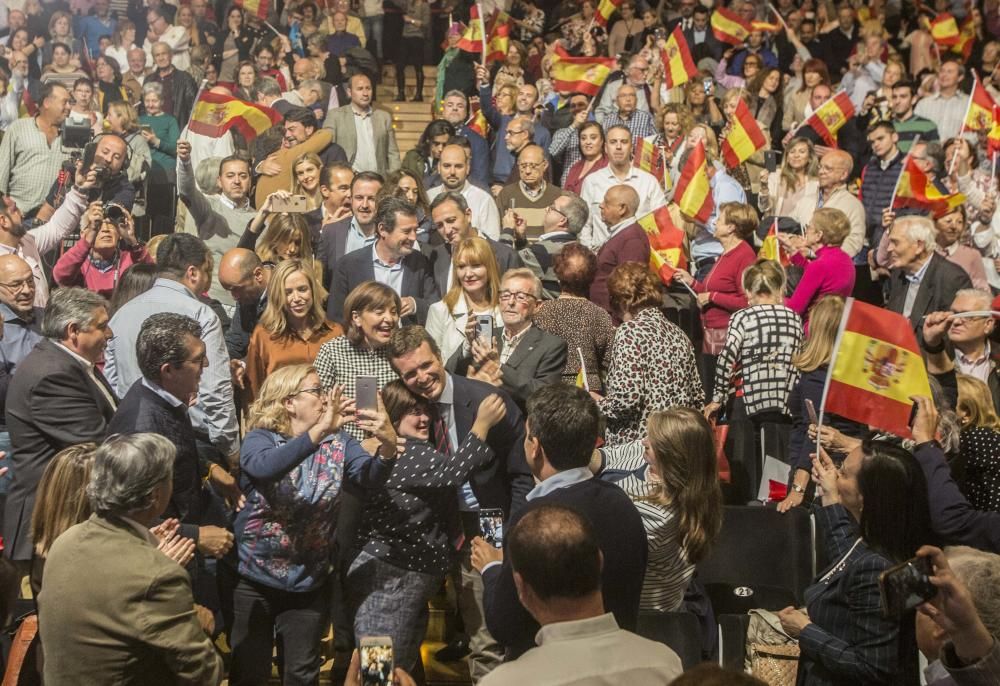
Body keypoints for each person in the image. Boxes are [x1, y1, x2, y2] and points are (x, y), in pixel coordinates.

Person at [231, 364, 398, 685]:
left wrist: (388, 447)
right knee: (249, 674)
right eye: (316, 391)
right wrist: (317, 432)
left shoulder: (340, 441)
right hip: (254, 578)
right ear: (288, 401)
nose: (326, 398)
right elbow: (264, 468)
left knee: (301, 676)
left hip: (307, 582)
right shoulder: (261, 439)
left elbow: (369, 476)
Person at [387, 325, 531, 681]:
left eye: (426, 365)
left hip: (484, 526)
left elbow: (522, 473)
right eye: (409, 373)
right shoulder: (399, 414)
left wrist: (510, 531)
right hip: (412, 547)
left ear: (439, 355)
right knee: (392, 643)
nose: (421, 378)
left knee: (487, 636)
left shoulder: (488, 401)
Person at [470, 385, 650, 662]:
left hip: (547, 669)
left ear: (535, 447)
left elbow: (505, 626)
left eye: (527, 437)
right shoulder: (622, 503)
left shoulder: (533, 519)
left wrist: (492, 566)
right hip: (616, 662)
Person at [346, 381, 506, 673]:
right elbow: (454, 473)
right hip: (389, 575)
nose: (424, 419)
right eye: (412, 412)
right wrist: (482, 424)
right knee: (378, 668)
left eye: (425, 411)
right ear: (393, 418)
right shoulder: (409, 452)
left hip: (394, 573)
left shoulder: (393, 450)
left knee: (399, 661)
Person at [37, 434, 222, 685]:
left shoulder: (66, 541)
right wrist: (197, 621)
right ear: (156, 495)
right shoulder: (158, 575)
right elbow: (204, 673)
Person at [776, 438, 933, 686]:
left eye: (844, 473)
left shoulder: (878, 568)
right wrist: (830, 494)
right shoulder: (880, 547)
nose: (836, 475)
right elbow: (847, 555)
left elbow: (873, 668)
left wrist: (805, 630)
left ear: (865, 497)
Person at [108, 313, 236, 559]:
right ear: (168, 371)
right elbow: (131, 512)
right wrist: (196, 535)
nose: (206, 365)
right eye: (197, 360)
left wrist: (208, 468)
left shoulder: (164, 396)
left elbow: (178, 449)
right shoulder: (141, 430)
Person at [4, 288, 117, 569]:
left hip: (66, 518)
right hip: (52, 519)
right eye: (102, 326)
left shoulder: (71, 363)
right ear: (73, 331)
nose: (110, 333)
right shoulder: (52, 374)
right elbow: (98, 442)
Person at [105, 233, 238, 462]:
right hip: (191, 442)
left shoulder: (121, 315)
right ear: (193, 272)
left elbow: (114, 381)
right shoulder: (202, 315)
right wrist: (231, 449)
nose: (208, 280)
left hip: (134, 438)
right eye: (208, 272)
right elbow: (216, 389)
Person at [597, 407, 723, 612]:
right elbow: (606, 456)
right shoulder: (657, 463)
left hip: (642, 619)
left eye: (652, 442)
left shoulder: (657, 515)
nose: (644, 442)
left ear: (672, 456)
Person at [595, 263, 703, 445]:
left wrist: (595, 401)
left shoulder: (630, 332)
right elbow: (697, 396)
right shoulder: (679, 334)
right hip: (678, 443)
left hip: (639, 449)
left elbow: (627, 399)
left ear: (623, 301)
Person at [779, 296, 864, 513]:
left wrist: (798, 489)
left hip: (820, 475)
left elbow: (814, 434)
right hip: (848, 469)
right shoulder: (853, 374)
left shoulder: (818, 377)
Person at [674, 202, 758, 395]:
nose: (714, 223)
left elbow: (747, 301)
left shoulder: (744, 256)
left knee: (718, 395)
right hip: (712, 336)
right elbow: (709, 290)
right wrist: (693, 283)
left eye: (719, 220)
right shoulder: (725, 253)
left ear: (731, 227)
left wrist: (713, 296)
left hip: (726, 338)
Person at [705, 259, 802, 421]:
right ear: (780, 288)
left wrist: (718, 397)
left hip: (749, 401)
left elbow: (726, 358)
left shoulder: (742, 317)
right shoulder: (793, 318)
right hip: (786, 402)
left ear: (749, 292)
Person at [462, 268, 568, 410]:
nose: (511, 302)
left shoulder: (552, 345)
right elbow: (451, 374)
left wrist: (498, 367)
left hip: (519, 425)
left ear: (537, 306)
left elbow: (544, 395)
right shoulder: (487, 336)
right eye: (505, 295)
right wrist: (468, 346)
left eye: (520, 297)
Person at [327, 197, 439, 325]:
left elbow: (435, 306)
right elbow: (336, 317)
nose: (413, 237)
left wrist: (415, 304)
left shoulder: (419, 262)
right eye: (406, 231)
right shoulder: (348, 265)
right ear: (383, 229)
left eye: (415, 230)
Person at [245, 259, 344, 399]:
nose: (296, 298)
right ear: (278, 295)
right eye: (288, 292)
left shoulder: (334, 332)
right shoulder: (264, 335)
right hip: (280, 417)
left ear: (313, 290)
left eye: (302, 289)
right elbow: (253, 392)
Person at [314, 282, 401, 441]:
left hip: (395, 444)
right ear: (356, 318)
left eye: (394, 312)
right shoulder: (332, 352)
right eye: (379, 311)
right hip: (344, 448)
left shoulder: (400, 352)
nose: (389, 319)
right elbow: (316, 407)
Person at [0, 169, 99, 307]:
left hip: (40, 325)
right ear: (3, 221)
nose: (22, 214)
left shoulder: (27, 241)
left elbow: (57, 228)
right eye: (15, 210)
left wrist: (79, 190)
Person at [176, 140, 256, 308]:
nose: (236, 181)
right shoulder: (209, 208)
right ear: (219, 181)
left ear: (250, 181)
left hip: (249, 301)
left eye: (243, 176)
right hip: (215, 300)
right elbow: (187, 190)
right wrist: (185, 162)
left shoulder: (260, 217)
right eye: (230, 176)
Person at [533, 242, 614, 392]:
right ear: (591, 277)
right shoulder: (600, 314)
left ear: (558, 275)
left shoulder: (542, 312)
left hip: (551, 387)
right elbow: (608, 360)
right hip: (588, 390)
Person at [579, 126, 666, 250]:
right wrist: (590, 253)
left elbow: (662, 222)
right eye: (613, 142)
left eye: (624, 142)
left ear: (631, 147)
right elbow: (584, 225)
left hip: (639, 256)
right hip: (601, 259)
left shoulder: (649, 181)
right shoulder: (592, 181)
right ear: (605, 148)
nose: (618, 147)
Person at [425, 236, 504, 369]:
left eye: (476, 265)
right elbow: (431, 363)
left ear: (489, 267)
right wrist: (466, 346)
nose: (468, 274)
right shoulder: (440, 310)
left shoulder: (505, 309)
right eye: (461, 267)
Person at [886, 216, 972, 332]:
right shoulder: (898, 272)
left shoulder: (953, 279)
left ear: (919, 246)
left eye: (895, 243)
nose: (889, 248)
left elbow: (955, 333)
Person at [0, 81, 72, 217]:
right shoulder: (18, 128)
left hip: (55, 222)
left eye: (70, 103)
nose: (69, 107)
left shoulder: (74, 136)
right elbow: (1, 172)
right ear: (47, 103)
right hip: (19, 216)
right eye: (65, 102)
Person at [428, 191, 521, 295]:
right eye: (439, 225)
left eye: (451, 220)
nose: (447, 230)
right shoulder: (438, 256)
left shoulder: (505, 256)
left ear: (468, 215)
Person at [53, 204, 152, 298]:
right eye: (98, 226)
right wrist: (87, 240)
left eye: (111, 225)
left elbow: (152, 277)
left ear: (119, 234)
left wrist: (132, 241)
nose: (105, 229)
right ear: (83, 233)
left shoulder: (130, 260)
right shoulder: (78, 265)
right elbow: (61, 275)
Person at [780, 207, 857, 317]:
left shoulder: (820, 265)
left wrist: (774, 300)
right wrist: (794, 252)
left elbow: (794, 309)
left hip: (813, 328)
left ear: (818, 235)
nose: (806, 231)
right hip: (833, 326)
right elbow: (819, 276)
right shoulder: (846, 259)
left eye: (809, 227)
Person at [323, 73, 401, 176]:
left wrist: (393, 178)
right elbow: (328, 149)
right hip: (349, 180)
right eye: (360, 89)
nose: (365, 93)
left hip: (378, 180)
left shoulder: (383, 117)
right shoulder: (336, 116)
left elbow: (393, 153)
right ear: (349, 92)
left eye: (368, 88)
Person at [588, 184, 650, 314]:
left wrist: (621, 322)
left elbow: (630, 288)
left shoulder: (632, 241)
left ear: (622, 208)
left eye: (607, 202)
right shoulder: (622, 235)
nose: (601, 205)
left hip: (614, 320)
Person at [318, 172, 383, 286]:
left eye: (372, 199)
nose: (364, 205)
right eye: (359, 198)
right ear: (351, 199)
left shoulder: (391, 234)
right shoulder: (331, 232)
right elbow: (320, 281)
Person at [429, 143, 502, 240]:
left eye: (458, 166)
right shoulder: (428, 197)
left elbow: (493, 242)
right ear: (439, 167)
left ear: (467, 168)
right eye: (447, 166)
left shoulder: (483, 200)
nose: (452, 172)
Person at [139, 81, 180, 236]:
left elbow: (176, 148)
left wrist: (155, 141)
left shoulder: (170, 121)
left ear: (162, 101)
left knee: (163, 216)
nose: (150, 104)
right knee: (145, 213)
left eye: (154, 101)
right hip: (144, 174)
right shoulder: (139, 120)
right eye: (147, 101)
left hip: (165, 174)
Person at [496, 145, 563, 240]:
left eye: (533, 166)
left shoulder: (557, 195)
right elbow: (497, 230)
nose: (527, 171)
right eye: (523, 166)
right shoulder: (506, 194)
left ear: (545, 165)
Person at [219, 248, 273, 360]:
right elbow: (236, 341)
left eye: (236, 289)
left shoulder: (287, 292)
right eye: (229, 290)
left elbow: (274, 350)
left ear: (258, 275)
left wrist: (244, 366)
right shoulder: (246, 295)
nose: (234, 296)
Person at [758, 136, 820, 232]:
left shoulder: (816, 184)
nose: (796, 155)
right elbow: (763, 207)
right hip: (774, 233)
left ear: (810, 158)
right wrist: (764, 186)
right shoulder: (776, 176)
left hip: (801, 236)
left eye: (802, 152)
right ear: (787, 157)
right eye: (792, 151)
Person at [144, 41, 198, 125]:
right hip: (154, 129)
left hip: (177, 129)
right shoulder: (149, 80)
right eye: (157, 55)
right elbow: (143, 108)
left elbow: (194, 107)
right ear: (154, 59)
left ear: (171, 55)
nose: (161, 58)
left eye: (164, 54)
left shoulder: (184, 78)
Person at [914, 59, 968, 142]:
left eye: (949, 72)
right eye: (942, 71)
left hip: (957, 151)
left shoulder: (968, 103)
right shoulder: (924, 104)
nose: (944, 75)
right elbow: (915, 130)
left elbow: (973, 133)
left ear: (960, 77)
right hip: (928, 151)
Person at [391, 0, 430, 101]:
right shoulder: (409, 3)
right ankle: (401, 93)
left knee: (418, 66)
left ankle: (419, 95)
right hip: (405, 37)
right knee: (399, 66)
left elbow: (426, 23)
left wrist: (411, 20)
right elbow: (397, 3)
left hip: (417, 37)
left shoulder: (425, 6)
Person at [402, 120, 455, 191]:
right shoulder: (413, 157)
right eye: (436, 143)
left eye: (445, 144)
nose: (440, 149)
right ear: (428, 140)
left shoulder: (453, 162)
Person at [560, 121, 608, 196]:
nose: (588, 142)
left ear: (602, 141)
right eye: (583, 138)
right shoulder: (575, 166)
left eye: (593, 138)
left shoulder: (608, 165)